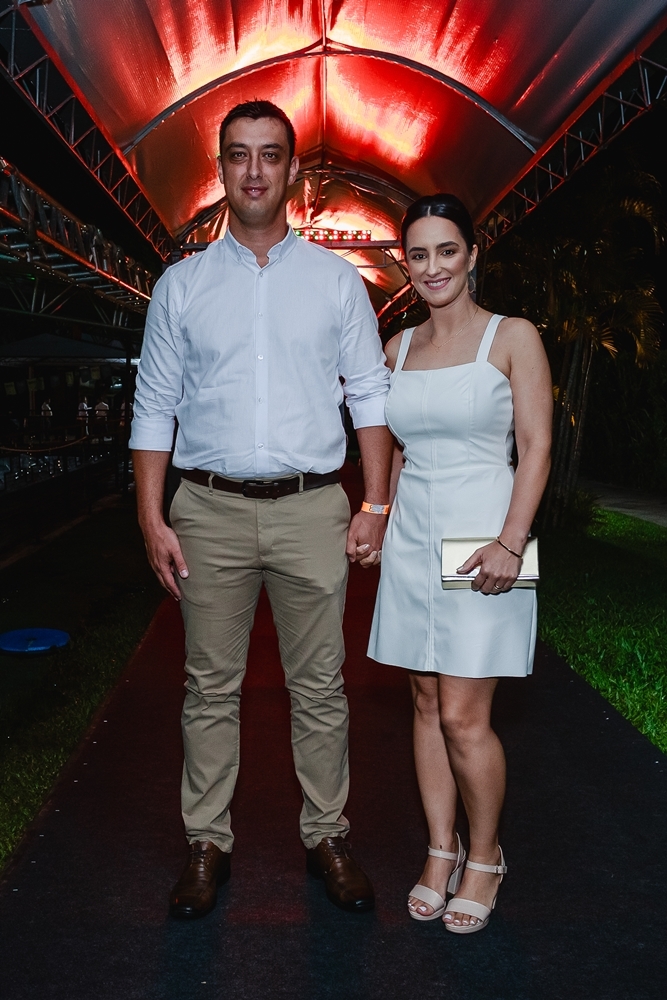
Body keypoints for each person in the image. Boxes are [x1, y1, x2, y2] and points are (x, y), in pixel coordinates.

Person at [129, 100, 393, 920]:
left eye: (269, 154)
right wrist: (151, 517)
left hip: (312, 508)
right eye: (238, 155)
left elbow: (369, 394)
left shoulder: (335, 282)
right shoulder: (181, 286)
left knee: (320, 686)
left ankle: (327, 836)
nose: (253, 171)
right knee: (209, 686)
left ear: (292, 171)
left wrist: (375, 501)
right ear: (220, 169)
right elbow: (153, 405)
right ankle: (206, 842)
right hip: (206, 510)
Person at [368, 194, 552, 934]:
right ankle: (439, 850)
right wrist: (379, 516)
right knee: (422, 702)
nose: (433, 266)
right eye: (418, 254)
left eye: (447, 250)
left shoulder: (513, 336)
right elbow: (397, 450)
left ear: (472, 255)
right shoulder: (396, 349)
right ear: (405, 265)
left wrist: (511, 542)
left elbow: (535, 446)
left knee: (463, 715)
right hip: (414, 539)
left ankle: (485, 856)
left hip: (483, 542)